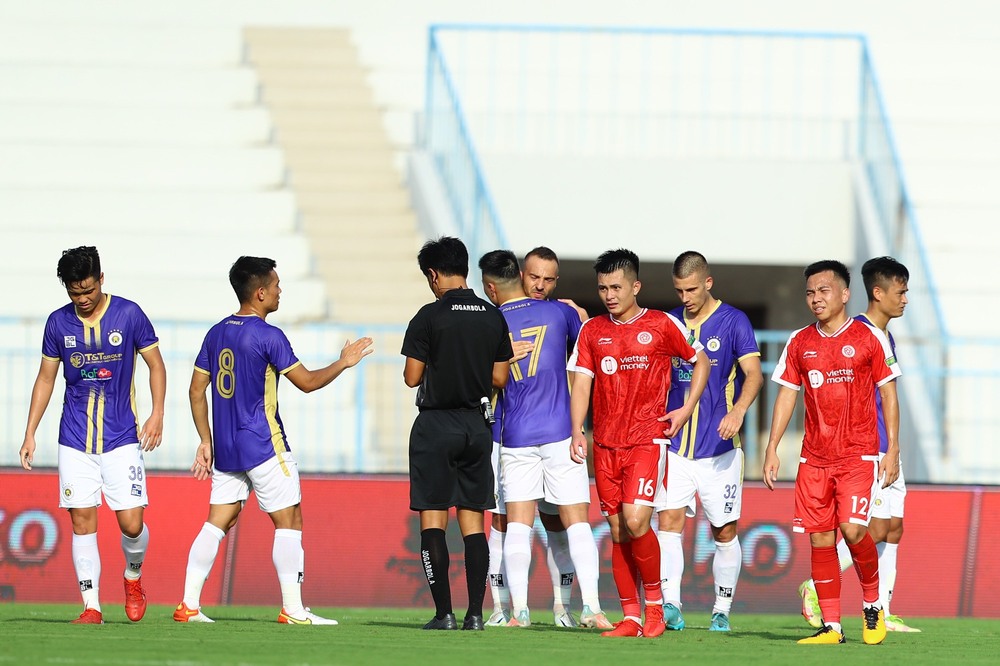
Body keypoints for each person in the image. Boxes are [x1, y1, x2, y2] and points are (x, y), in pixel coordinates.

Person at [173, 256, 373, 625]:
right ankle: (293, 610)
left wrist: (206, 440)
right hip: (264, 444)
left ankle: (188, 604)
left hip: (228, 448)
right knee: (289, 520)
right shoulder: (268, 335)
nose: (281, 291)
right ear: (260, 293)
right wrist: (343, 362)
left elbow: (195, 389)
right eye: (277, 285)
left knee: (217, 521)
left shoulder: (216, 332)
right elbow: (308, 382)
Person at [19, 245, 165, 624]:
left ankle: (133, 576)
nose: (82, 299)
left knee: (131, 524)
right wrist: (30, 432)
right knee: (82, 520)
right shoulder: (57, 324)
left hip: (121, 437)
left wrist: (157, 413)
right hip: (74, 438)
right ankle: (91, 606)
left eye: (87, 290)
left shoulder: (129, 314)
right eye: (74, 292)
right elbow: (46, 378)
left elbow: (155, 365)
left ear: (101, 279)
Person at [568, 248, 709, 638]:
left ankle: (655, 607)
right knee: (616, 531)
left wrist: (684, 410)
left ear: (636, 286)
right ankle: (630, 617)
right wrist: (577, 428)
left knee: (636, 520)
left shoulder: (662, 324)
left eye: (616, 286)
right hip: (606, 445)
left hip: (647, 441)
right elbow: (581, 382)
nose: (609, 294)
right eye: (603, 288)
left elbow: (702, 361)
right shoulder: (592, 331)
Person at [763, 259, 901, 646]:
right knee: (820, 540)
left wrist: (892, 450)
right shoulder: (799, 342)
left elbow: (889, 393)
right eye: (810, 292)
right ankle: (833, 628)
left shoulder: (869, 336)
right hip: (814, 459)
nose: (815, 298)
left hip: (859, 454)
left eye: (824, 291)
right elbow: (787, 395)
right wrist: (772, 447)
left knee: (854, 530)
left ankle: (873, 604)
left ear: (844, 294)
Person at [479, 250, 611, 630]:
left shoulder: (495, 320)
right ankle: (583, 607)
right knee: (565, 522)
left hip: (516, 434)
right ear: (522, 275)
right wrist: (580, 314)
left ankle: (528, 611)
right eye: (536, 277)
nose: (541, 285)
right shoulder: (562, 314)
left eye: (549, 280)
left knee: (522, 524)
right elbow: (588, 341)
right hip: (552, 432)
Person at [797, 256, 920, 632]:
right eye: (900, 292)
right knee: (873, 528)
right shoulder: (858, 333)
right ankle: (816, 589)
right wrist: (886, 449)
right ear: (877, 293)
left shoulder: (882, 334)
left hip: (886, 445)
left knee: (893, 527)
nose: (905, 299)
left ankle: (882, 606)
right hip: (867, 449)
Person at [402, 236, 514, 631]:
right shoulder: (492, 315)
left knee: (433, 520)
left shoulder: (428, 316)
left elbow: (411, 376)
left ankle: (443, 614)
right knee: (473, 523)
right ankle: (476, 615)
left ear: (433, 274)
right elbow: (500, 376)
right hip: (476, 426)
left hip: (436, 424)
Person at [654, 251, 763, 633]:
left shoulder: (734, 321)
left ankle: (721, 609)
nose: (685, 297)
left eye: (692, 289)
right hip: (674, 447)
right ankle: (671, 605)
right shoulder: (668, 322)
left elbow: (753, 375)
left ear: (708, 283)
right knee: (667, 524)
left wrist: (738, 413)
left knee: (724, 531)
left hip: (719, 449)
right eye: (679, 290)